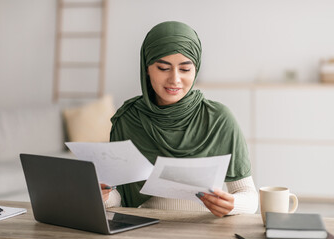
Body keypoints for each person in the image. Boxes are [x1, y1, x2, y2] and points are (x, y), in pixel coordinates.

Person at [101, 21, 258, 217]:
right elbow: (120, 200)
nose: (175, 79)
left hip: (207, 229)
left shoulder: (218, 119)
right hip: (146, 229)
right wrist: (103, 195)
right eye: (163, 68)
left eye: (185, 69)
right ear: (147, 68)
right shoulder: (128, 120)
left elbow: (249, 197)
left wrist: (233, 205)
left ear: (196, 69)